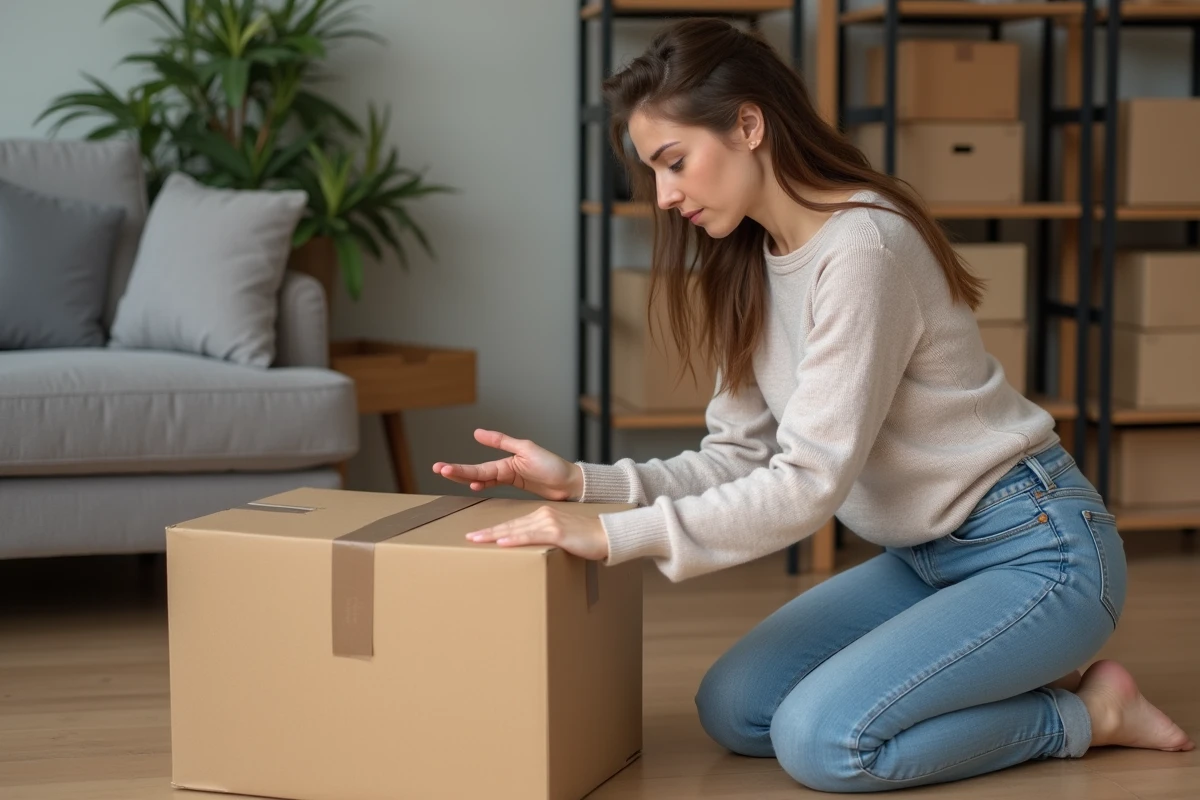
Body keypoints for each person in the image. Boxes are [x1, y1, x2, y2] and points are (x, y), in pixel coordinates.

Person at [432, 17, 1194, 794]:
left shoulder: (863, 248)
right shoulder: (752, 260)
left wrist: (612, 536)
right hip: (925, 560)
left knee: (827, 743)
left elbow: (807, 483)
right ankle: (994, 672)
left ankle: (1088, 715)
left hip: (1037, 550)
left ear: (749, 124)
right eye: (653, 173)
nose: (664, 197)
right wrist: (584, 486)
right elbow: (737, 457)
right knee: (735, 709)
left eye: (674, 163)